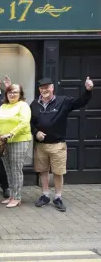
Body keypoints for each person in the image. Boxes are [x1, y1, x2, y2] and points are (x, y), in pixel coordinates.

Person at [31, 77, 94, 212]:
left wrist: (88, 90)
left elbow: (80, 102)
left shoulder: (63, 101)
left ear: (53, 88)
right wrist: (36, 133)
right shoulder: (34, 104)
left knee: (58, 172)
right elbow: (30, 123)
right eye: (42, 88)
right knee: (43, 171)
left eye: (47, 87)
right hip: (41, 145)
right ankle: (45, 195)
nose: (44, 90)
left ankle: (58, 197)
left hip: (57, 144)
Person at [0, 84, 32, 208]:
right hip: (4, 142)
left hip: (19, 140)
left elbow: (24, 122)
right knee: (7, 168)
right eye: (9, 92)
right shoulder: (3, 106)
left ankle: (17, 197)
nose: (12, 94)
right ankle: (11, 195)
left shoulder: (23, 106)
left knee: (16, 169)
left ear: (20, 94)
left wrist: (11, 133)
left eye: (15, 92)